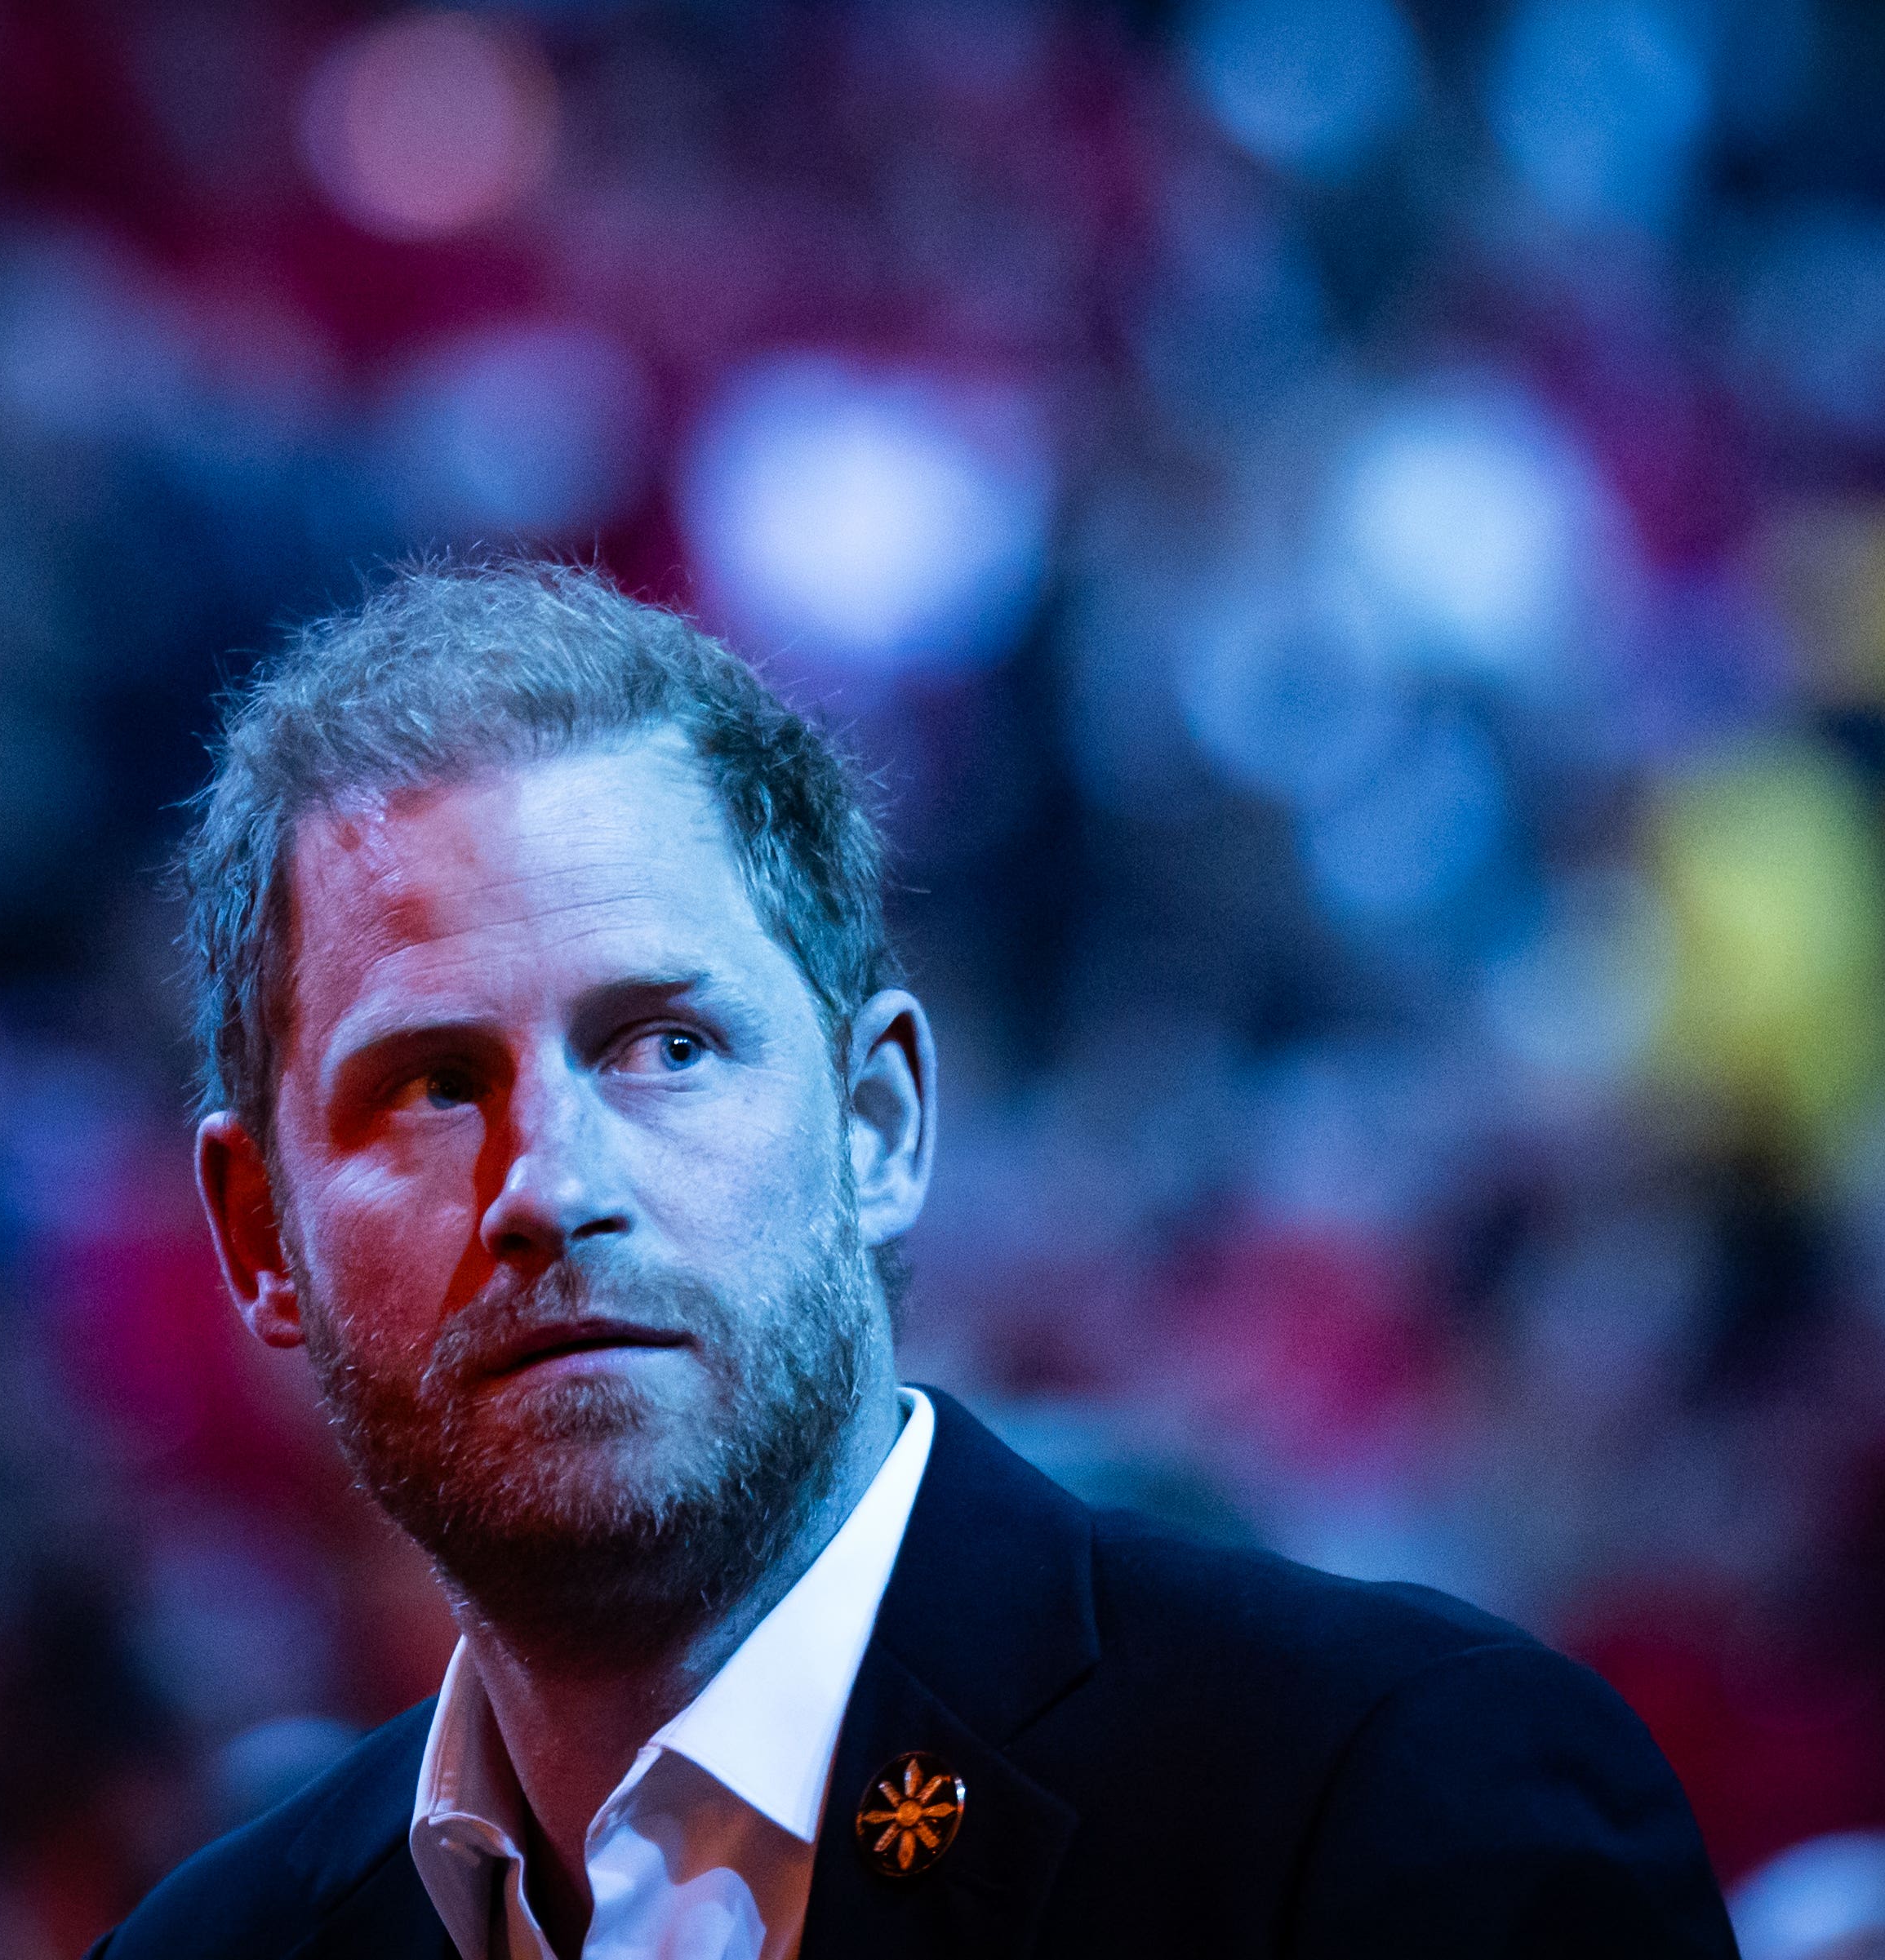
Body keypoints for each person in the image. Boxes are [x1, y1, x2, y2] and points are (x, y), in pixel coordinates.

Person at [89, 562, 1738, 1960]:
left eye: (662, 1043)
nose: (552, 1183)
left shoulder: (1398, 1804)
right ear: (259, 1238)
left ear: (876, 1126)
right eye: (433, 1085)